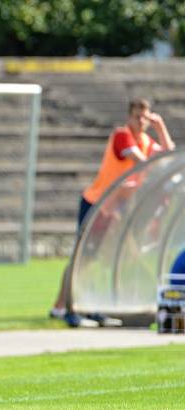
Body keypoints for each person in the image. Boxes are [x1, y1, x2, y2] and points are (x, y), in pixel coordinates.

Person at [50, 98, 175, 327]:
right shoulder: (122, 135)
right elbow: (142, 162)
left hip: (115, 208)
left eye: (144, 117)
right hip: (98, 203)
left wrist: (160, 127)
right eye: (137, 117)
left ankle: (79, 306)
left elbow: (168, 156)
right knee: (83, 259)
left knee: (99, 259)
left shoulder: (146, 140)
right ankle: (67, 308)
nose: (141, 122)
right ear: (129, 117)